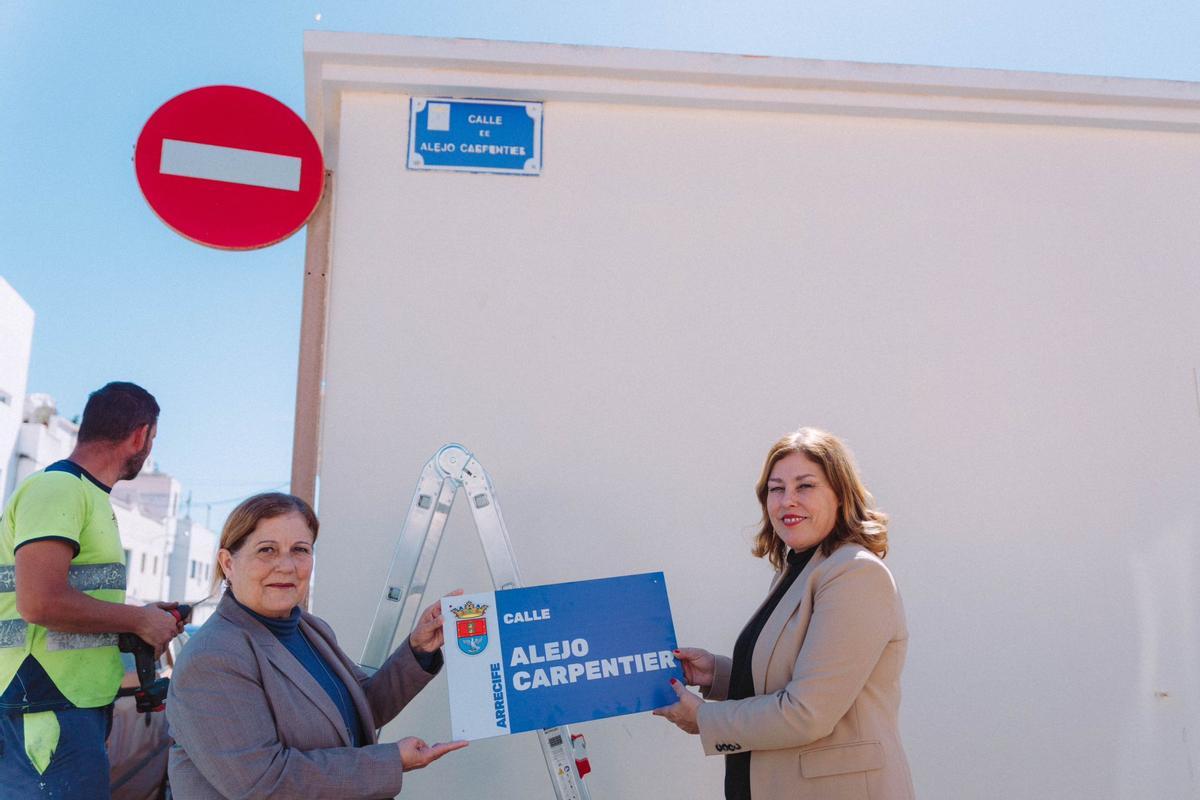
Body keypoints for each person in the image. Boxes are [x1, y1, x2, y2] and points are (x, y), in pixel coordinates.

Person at [655, 427, 915, 800]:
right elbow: (795, 674)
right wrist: (717, 674)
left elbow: (807, 711)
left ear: (841, 496)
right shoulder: (800, 569)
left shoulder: (856, 573)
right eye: (776, 489)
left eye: (805, 486)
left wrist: (702, 718)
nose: (787, 501)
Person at [166, 492, 467, 798]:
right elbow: (265, 782)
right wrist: (392, 760)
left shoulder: (310, 628)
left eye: (300, 549)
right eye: (267, 550)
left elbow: (362, 706)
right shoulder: (212, 658)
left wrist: (418, 648)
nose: (286, 565)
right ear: (228, 563)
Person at [0, 381, 184, 799]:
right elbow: (39, 601)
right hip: (44, 706)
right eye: (152, 439)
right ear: (141, 435)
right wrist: (140, 620)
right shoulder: (59, 488)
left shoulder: (87, 497)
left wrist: (143, 614)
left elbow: (73, 601)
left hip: (64, 708)